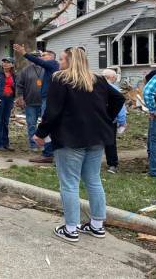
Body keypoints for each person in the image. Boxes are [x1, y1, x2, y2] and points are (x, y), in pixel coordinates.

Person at [33, 48, 124, 242]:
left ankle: (71, 228)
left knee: (69, 183)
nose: (59, 62)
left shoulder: (61, 79)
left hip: (70, 137)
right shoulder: (97, 79)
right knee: (93, 180)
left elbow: (52, 110)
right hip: (97, 136)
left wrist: (41, 133)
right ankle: (97, 225)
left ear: (71, 60)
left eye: (63, 58)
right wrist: (106, 118)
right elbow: (118, 98)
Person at [13, 44, 59, 164]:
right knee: (42, 125)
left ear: (51, 57)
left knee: (47, 125)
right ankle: (49, 151)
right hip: (37, 100)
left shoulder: (53, 64)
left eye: (44, 55)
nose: (41, 57)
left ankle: (48, 154)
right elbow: (20, 84)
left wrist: (24, 53)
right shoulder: (41, 68)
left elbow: (38, 61)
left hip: (47, 100)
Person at [16, 52, 45, 152]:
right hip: (30, 102)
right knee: (32, 124)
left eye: (38, 56)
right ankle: (33, 144)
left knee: (45, 124)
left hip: (44, 103)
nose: (36, 58)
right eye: (34, 57)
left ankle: (44, 144)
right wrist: (20, 98)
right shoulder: (25, 70)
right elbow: (19, 85)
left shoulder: (46, 69)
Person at [101, 69, 127, 174]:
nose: (115, 80)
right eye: (115, 78)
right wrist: (122, 121)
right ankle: (112, 164)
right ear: (111, 78)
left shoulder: (94, 87)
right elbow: (121, 109)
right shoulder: (115, 89)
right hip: (110, 120)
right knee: (110, 142)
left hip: (96, 119)